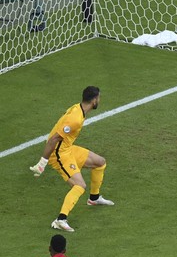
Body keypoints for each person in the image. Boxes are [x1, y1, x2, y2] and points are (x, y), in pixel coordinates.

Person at [29, 86, 114, 232]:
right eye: (98, 98)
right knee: (79, 186)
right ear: (94, 100)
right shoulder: (75, 119)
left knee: (100, 162)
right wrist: (42, 162)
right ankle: (60, 220)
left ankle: (94, 198)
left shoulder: (78, 109)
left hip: (68, 149)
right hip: (59, 154)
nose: (99, 100)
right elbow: (54, 138)